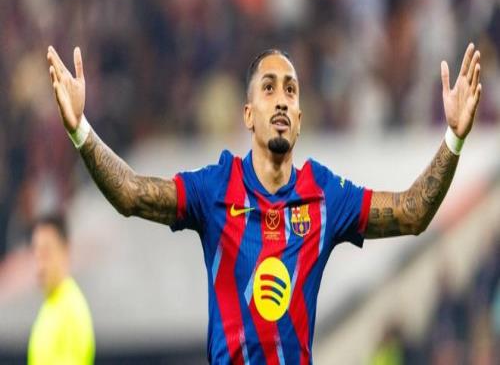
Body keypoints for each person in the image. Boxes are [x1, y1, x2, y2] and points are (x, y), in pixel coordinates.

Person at [46, 42, 481, 364]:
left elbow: (411, 212)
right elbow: (131, 193)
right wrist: (80, 129)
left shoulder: (325, 195)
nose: (282, 100)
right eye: (269, 88)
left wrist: (454, 138)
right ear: (249, 114)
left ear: (299, 119)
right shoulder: (215, 189)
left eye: (291, 91)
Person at [29, 214, 95, 365]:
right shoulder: (50, 306)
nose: (40, 265)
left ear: (66, 250)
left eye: (46, 253)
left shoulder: (71, 310)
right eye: (36, 253)